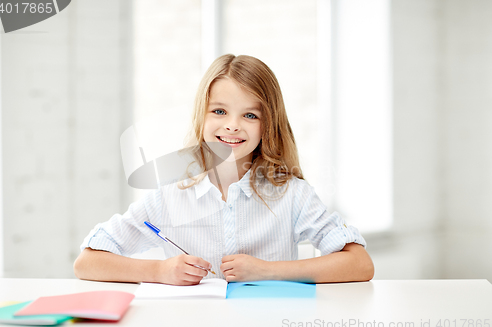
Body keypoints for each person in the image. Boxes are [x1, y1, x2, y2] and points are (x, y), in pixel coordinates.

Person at [74, 54, 374, 286]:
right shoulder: (170, 193)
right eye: (219, 111)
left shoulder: (292, 194)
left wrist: (266, 271)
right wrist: (160, 270)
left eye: (250, 115)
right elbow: (87, 262)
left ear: (267, 125)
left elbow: (360, 264)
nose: (232, 125)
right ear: (201, 115)